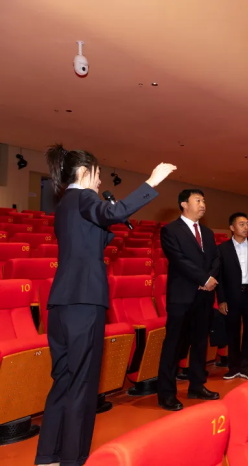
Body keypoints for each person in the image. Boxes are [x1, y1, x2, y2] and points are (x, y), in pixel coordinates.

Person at [35, 144, 175, 466]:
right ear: (85, 172)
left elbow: (91, 236)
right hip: (85, 302)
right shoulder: (84, 197)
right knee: (83, 383)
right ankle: (73, 458)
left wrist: (111, 222)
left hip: (61, 303)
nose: (99, 183)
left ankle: (48, 455)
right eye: (98, 175)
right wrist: (151, 183)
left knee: (64, 380)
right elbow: (108, 214)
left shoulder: (65, 204)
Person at [157, 189, 221, 412]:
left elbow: (216, 259)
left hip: (204, 295)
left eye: (204, 200)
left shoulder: (208, 232)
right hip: (182, 296)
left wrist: (210, 279)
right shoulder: (170, 230)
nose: (203, 204)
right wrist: (203, 278)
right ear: (184, 204)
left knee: (200, 343)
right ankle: (166, 394)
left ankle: (197, 385)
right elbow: (179, 259)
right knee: (174, 346)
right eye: (198, 200)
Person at [216, 212, 248, 380]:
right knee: (233, 333)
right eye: (242, 224)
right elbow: (219, 277)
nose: (246, 227)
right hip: (232, 296)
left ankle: (246, 367)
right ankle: (234, 367)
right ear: (232, 227)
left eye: (247, 224)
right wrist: (221, 299)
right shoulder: (222, 249)